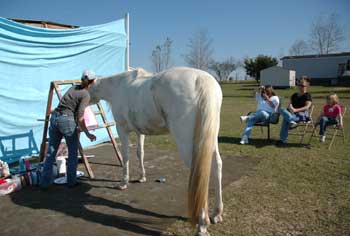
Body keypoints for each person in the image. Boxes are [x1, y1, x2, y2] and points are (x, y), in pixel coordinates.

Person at [40, 70, 97, 189]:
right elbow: (80, 116)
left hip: (55, 117)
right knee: (72, 152)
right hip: (67, 120)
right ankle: (71, 182)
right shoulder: (86, 94)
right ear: (93, 82)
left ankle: (44, 183)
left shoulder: (73, 88)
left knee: (51, 152)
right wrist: (88, 133)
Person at [279, 76, 312, 144]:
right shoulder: (294, 95)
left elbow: (307, 107)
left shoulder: (307, 95)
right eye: (300, 85)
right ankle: (291, 121)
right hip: (292, 114)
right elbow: (289, 105)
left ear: (306, 86)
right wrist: (290, 108)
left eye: (303, 85)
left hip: (301, 114)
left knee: (285, 119)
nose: (301, 87)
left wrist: (295, 110)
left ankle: (282, 140)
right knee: (281, 109)